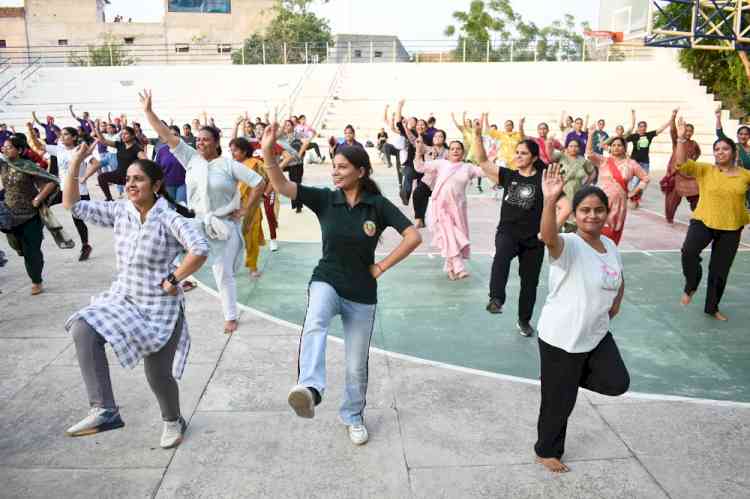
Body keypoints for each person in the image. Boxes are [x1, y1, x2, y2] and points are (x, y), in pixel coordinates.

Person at [261, 122, 421, 446]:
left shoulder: (377, 206)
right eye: (334, 166)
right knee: (315, 321)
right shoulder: (325, 199)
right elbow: (281, 185)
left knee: (355, 366)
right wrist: (267, 152)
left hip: (362, 292)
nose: (335, 172)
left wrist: (381, 266)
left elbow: (413, 236)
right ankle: (310, 388)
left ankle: (353, 416)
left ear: (361, 171)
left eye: (342, 167)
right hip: (328, 279)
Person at [61, 144, 209, 448]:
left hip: (159, 308)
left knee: (157, 374)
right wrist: (75, 164)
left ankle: (173, 420)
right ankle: (105, 409)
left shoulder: (170, 218)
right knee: (83, 328)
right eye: (128, 178)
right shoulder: (120, 212)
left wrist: (174, 278)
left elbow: (199, 250)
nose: (130, 183)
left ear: (156, 186)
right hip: (124, 298)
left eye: (138, 179)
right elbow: (72, 205)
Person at [141, 90, 265, 334]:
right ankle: (173, 282)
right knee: (167, 240)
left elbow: (258, 182)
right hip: (197, 221)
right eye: (198, 140)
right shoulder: (191, 159)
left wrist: (244, 210)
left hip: (224, 225)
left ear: (216, 142)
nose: (200, 143)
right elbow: (166, 135)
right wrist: (148, 112)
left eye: (205, 140)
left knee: (223, 273)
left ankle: (230, 316)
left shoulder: (228, 164)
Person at [535, 170, 629, 473]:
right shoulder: (568, 244)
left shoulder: (611, 246)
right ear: (575, 214)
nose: (592, 215)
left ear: (607, 212)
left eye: (598, 210)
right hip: (562, 337)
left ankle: (565, 381)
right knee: (559, 402)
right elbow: (548, 237)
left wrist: (616, 301)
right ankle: (546, 451)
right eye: (585, 210)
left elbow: (618, 276)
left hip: (596, 333)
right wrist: (550, 201)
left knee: (617, 382)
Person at [474, 119, 557, 337]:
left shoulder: (544, 180)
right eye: (517, 152)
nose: (517, 156)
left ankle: (523, 320)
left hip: (534, 239)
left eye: (523, 153)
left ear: (534, 158)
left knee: (529, 284)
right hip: (508, 232)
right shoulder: (508, 175)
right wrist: (476, 136)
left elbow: (565, 206)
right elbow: (482, 161)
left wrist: (547, 230)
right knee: (501, 256)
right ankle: (496, 299)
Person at [674, 118, 750, 321]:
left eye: (725, 149)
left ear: (733, 153)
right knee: (688, 252)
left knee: (719, 270)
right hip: (703, 220)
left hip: (732, 226)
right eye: (717, 149)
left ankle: (712, 307)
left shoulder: (745, 175)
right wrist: (680, 139)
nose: (720, 152)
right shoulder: (705, 169)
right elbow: (680, 165)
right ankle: (691, 285)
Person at [414, 136, 483, 279]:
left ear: (463, 153)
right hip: (440, 206)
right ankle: (459, 266)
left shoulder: (468, 168)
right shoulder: (441, 164)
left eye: (458, 149)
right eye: (452, 149)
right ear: (448, 152)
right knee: (451, 233)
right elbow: (419, 167)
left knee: (450, 236)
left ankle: (450, 267)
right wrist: (418, 151)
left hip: (458, 208)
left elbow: (485, 171)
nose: (455, 151)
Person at [0, 136, 59, 295]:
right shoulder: (3, 164)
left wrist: (38, 198)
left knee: (31, 250)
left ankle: (36, 280)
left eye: (9, 147)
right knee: (18, 247)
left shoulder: (28, 166)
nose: (5, 149)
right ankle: (28, 257)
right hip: (10, 216)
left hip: (30, 216)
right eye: (4, 147)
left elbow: (51, 181)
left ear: (19, 150)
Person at [26, 123, 94, 261]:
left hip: (79, 192)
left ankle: (85, 245)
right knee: (42, 204)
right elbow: (38, 146)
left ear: (74, 137)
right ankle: (43, 231)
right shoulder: (59, 149)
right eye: (61, 134)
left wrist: (84, 177)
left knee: (78, 221)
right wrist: (30, 131)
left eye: (66, 134)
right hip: (63, 189)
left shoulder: (79, 150)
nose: (62, 136)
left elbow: (96, 163)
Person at [585, 137, 650, 244]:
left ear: (624, 148)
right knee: (595, 226)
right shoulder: (603, 161)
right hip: (600, 201)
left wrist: (634, 192)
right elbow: (589, 153)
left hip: (619, 203)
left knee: (612, 230)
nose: (616, 148)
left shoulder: (631, 164)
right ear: (610, 148)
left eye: (619, 145)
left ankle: (609, 253)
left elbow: (646, 178)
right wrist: (591, 135)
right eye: (613, 145)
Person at [229, 137, 266, 277]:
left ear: (244, 152)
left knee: (252, 238)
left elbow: (266, 181)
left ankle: (252, 267)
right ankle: (231, 266)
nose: (233, 153)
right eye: (231, 150)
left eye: (236, 150)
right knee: (233, 238)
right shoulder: (230, 165)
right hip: (233, 206)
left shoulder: (255, 163)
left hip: (252, 207)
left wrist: (262, 195)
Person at [84, 124, 146, 201]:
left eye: (126, 134)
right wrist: (97, 129)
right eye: (122, 134)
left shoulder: (136, 148)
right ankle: (109, 198)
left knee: (133, 200)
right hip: (118, 174)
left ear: (133, 136)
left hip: (130, 177)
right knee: (101, 177)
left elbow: (145, 160)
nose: (123, 136)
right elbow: (103, 141)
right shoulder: (120, 145)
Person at [625, 112, 672, 207]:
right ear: (638, 128)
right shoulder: (634, 136)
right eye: (640, 126)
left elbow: (660, 129)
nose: (642, 128)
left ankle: (635, 198)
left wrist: (670, 121)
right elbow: (623, 141)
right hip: (635, 162)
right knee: (635, 182)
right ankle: (631, 199)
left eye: (644, 126)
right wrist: (626, 154)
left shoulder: (648, 135)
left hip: (645, 163)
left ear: (646, 128)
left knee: (644, 182)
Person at [552, 136, 596, 230]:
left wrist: (586, 184)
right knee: (560, 216)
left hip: (577, 191)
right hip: (561, 191)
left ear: (579, 148)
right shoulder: (561, 156)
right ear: (567, 147)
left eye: (576, 146)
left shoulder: (583, 161)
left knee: (573, 220)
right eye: (571, 146)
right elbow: (549, 156)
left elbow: (592, 172)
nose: (573, 148)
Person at [663, 114, 700, 224]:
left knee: (695, 195)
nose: (687, 133)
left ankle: (698, 215)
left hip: (688, 175)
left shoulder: (694, 144)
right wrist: (673, 118)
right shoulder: (677, 141)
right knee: (672, 200)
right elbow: (673, 131)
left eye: (690, 131)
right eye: (686, 130)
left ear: (692, 132)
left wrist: (692, 161)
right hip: (676, 174)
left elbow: (697, 153)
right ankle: (669, 218)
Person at [715, 107, 750, 208]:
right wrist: (718, 118)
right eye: (741, 134)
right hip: (737, 181)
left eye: (746, 134)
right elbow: (720, 135)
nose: (743, 136)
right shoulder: (734, 147)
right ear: (737, 135)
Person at [155, 126, 188, 205]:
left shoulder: (186, 149)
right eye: (171, 135)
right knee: (170, 209)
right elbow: (157, 169)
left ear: (179, 136)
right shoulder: (162, 151)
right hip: (167, 185)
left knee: (182, 208)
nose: (173, 137)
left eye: (175, 135)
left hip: (183, 184)